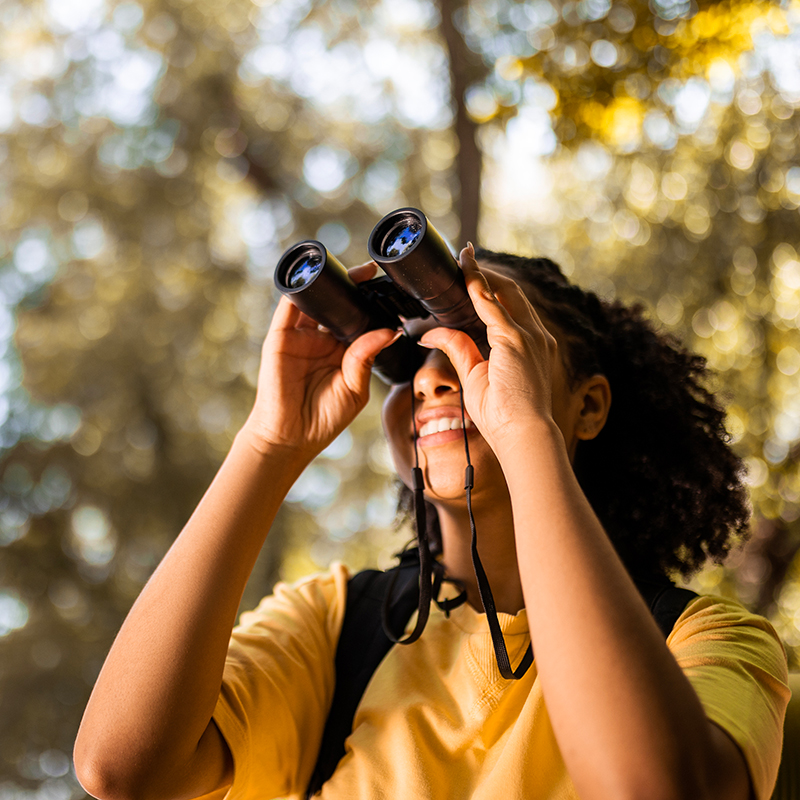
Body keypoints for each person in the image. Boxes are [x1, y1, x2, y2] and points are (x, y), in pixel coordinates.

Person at [74, 243, 790, 800]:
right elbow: (120, 768)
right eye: (408, 357)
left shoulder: (707, 640)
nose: (432, 374)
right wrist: (269, 444)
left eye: (477, 340)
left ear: (589, 406)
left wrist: (525, 429)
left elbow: (653, 789)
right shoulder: (337, 624)